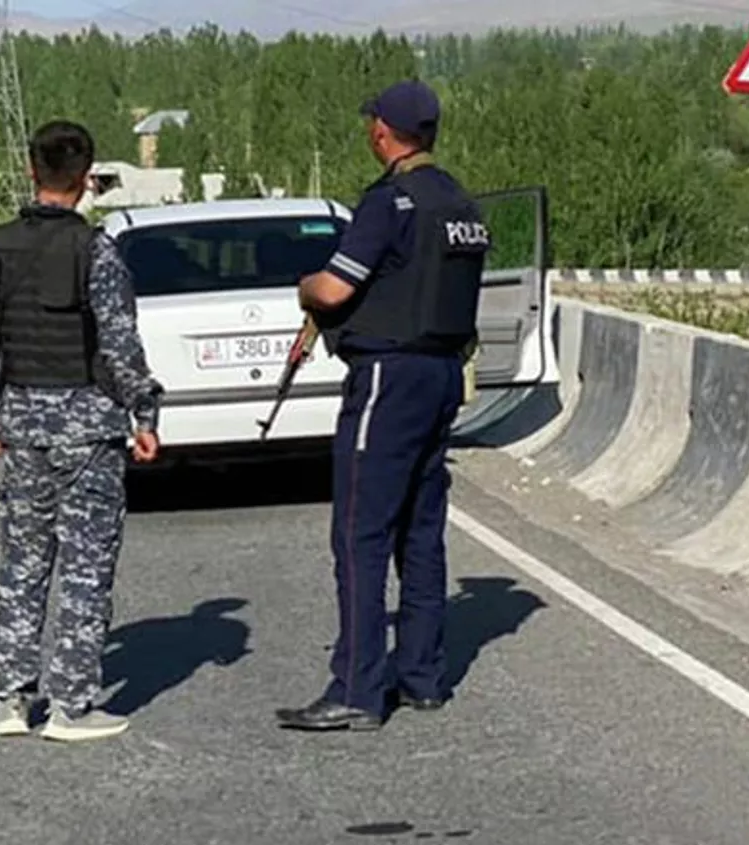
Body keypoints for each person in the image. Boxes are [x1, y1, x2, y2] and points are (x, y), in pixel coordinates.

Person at [275, 79, 490, 732]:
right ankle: (422, 677)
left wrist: (304, 287)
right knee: (421, 531)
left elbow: (335, 290)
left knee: (360, 532)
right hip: (443, 373)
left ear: (381, 133)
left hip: (388, 377)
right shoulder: (461, 202)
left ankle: (357, 688)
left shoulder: (388, 202)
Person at [0, 119, 164, 743]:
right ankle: (71, 705)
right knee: (85, 565)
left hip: (22, 424)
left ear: (30, 169)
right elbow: (120, 346)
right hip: (87, 428)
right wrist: (144, 414)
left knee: (22, 561)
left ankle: (12, 699)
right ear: (87, 178)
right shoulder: (97, 252)